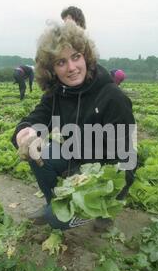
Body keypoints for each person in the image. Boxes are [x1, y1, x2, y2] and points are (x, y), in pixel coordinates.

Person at [11, 21, 137, 231]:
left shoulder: (112, 97)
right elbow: (39, 116)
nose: (71, 68)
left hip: (107, 172)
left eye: (76, 57)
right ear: (52, 69)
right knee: (37, 152)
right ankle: (56, 202)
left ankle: (98, 211)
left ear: (86, 56)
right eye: (61, 62)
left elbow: (125, 159)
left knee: (55, 220)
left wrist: (87, 180)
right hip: (77, 157)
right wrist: (27, 131)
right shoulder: (59, 92)